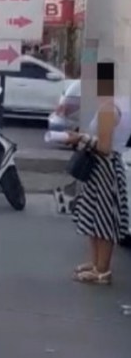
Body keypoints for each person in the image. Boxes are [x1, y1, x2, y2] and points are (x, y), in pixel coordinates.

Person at [65, 63, 130, 285]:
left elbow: (104, 147)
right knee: (94, 216)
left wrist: (80, 138)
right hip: (106, 167)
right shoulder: (120, 104)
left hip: (104, 167)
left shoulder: (108, 109)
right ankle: (96, 263)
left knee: (102, 219)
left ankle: (102, 270)